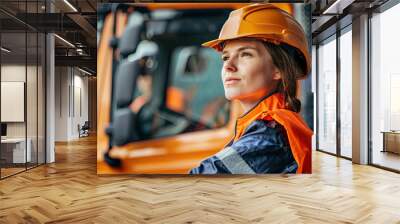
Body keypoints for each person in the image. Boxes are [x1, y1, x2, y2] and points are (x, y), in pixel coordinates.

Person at [189, 4, 312, 174]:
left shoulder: (270, 137)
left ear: (280, 69)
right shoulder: (262, 129)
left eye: (245, 54)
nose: (229, 66)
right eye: (225, 57)